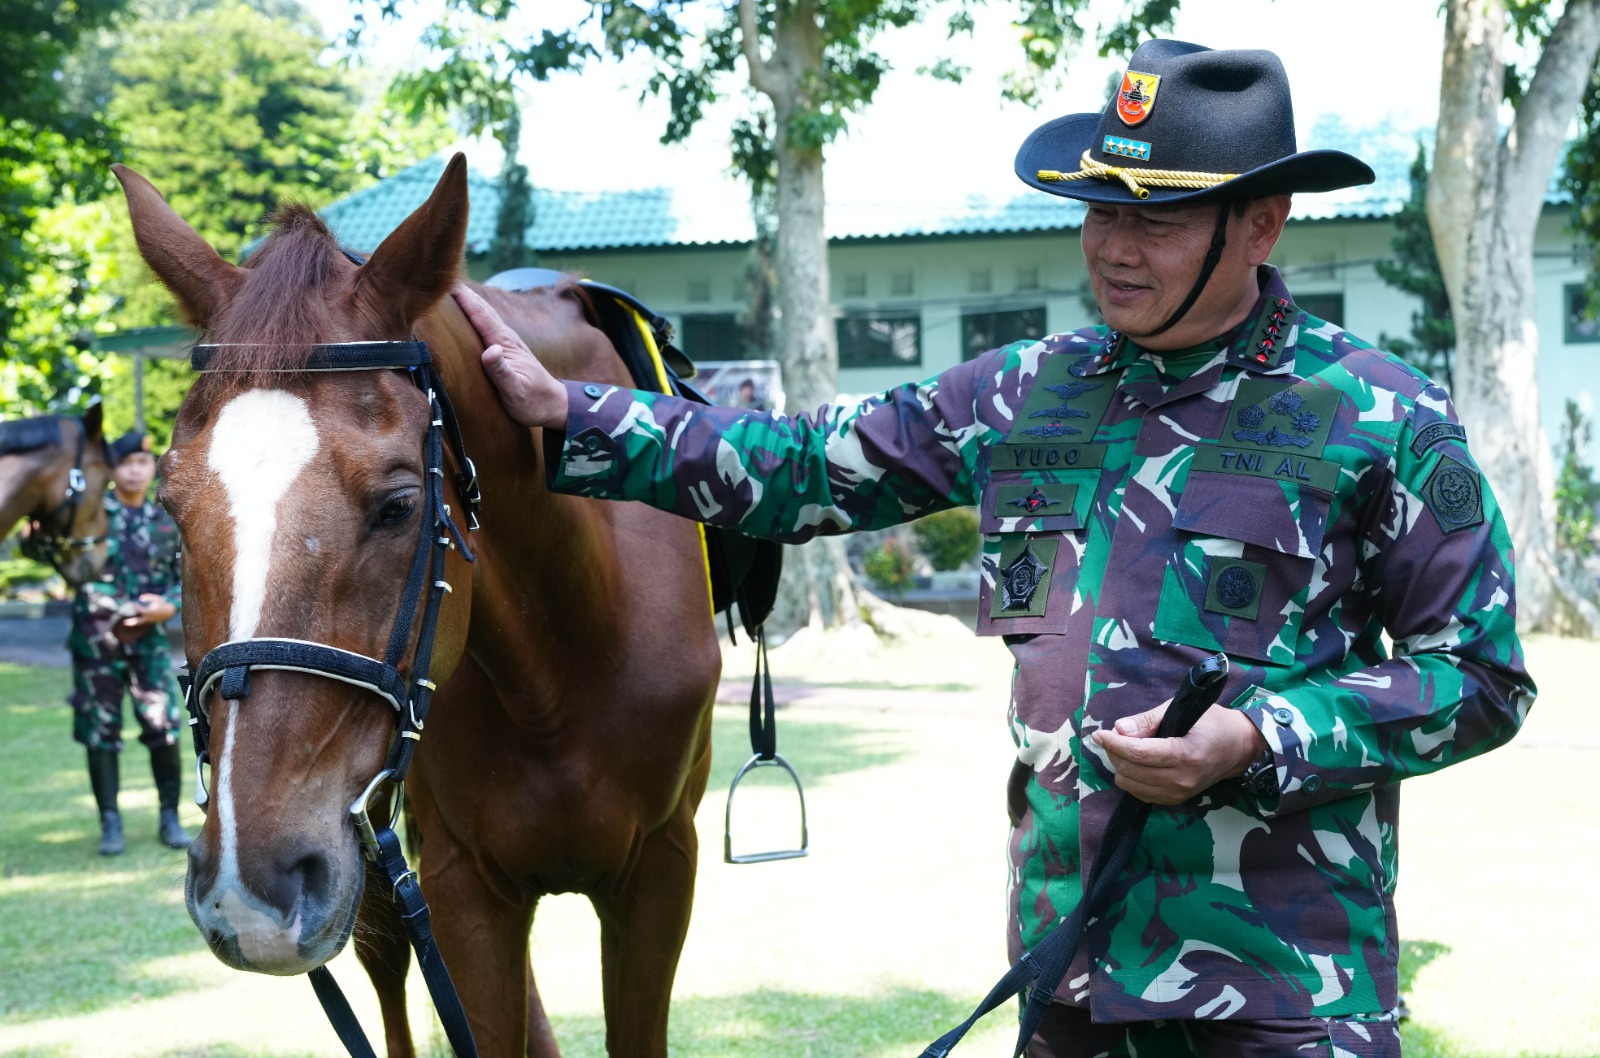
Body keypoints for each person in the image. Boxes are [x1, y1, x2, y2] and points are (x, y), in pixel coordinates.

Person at [453, 40, 1533, 1057]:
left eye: (1156, 219)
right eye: (1098, 207)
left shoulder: (1378, 413)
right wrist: (572, 414)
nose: (1112, 245)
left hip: (1285, 996)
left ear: (1261, 223)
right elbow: (801, 464)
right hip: (1066, 978)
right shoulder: (1028, 391)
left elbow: (1479, 673)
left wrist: (1257, 735)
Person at [69, 429, 190, 855]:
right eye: (126, 463)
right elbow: (75, 572)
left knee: (163, 727)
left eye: (143, 461)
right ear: (113, 469)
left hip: (150, 643)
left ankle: (170, 818)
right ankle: (110, 822)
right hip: (97, 641)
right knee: (101, 731)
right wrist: (117, 606)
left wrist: (169, 607)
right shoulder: (91, 515)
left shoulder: (167, 518)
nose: (136, 470)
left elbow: (185, 576)